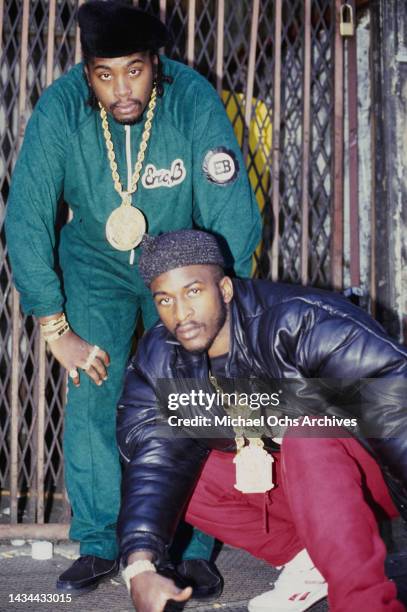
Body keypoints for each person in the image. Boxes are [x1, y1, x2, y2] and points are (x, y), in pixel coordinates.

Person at [5, 0, 261, 595]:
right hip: (94, 264)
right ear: (86, 70)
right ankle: (99, 541)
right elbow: (27, 216)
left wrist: (226, 305)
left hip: (178, 262)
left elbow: (232, 211)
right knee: (96, 391)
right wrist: (53, 323)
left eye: (135, 71)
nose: (121, 89)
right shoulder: (62, 108)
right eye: (104, 73)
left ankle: (192, 546)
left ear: (157, 65)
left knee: (190, 393)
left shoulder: (192, 100)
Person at [116, 229, 407, 612]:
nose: (181, 314)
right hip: (297, 486)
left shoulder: (302, 322)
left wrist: (275, 408)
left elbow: (395, 410)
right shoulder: (161, 357)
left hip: (363, 475)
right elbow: (152, 459)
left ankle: (364, 602)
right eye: (165, 300)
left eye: (193, 292)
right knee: (186, 473)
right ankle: (309, 559)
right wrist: (140, 568)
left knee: (308, 433)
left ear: (224, 289)